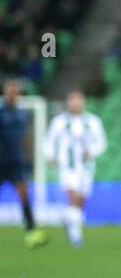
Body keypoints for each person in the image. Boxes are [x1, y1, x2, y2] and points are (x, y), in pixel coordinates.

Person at [45, 90, 106, 249]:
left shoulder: (93, 121)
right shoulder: (59, 121)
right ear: (68, 103)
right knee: (73, 194)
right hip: (67, 165)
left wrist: (92, 152)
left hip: (86, 166)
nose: (75, 104)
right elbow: (50, 140)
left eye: (78, 101)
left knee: (82, 199)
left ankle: (69, 220)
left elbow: (101, 142)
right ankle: (75, 233)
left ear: (83, 103)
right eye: (73, 101)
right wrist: (50, 155)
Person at [0, 78, 47, 248]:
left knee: (24, 195)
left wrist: (27, 157)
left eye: (15, 91)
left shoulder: (22, 114)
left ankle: (32, 232)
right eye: (9, 90)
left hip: (16, 161)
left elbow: (23, 139)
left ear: (19, 93)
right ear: (5, 93)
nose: (12, 94)